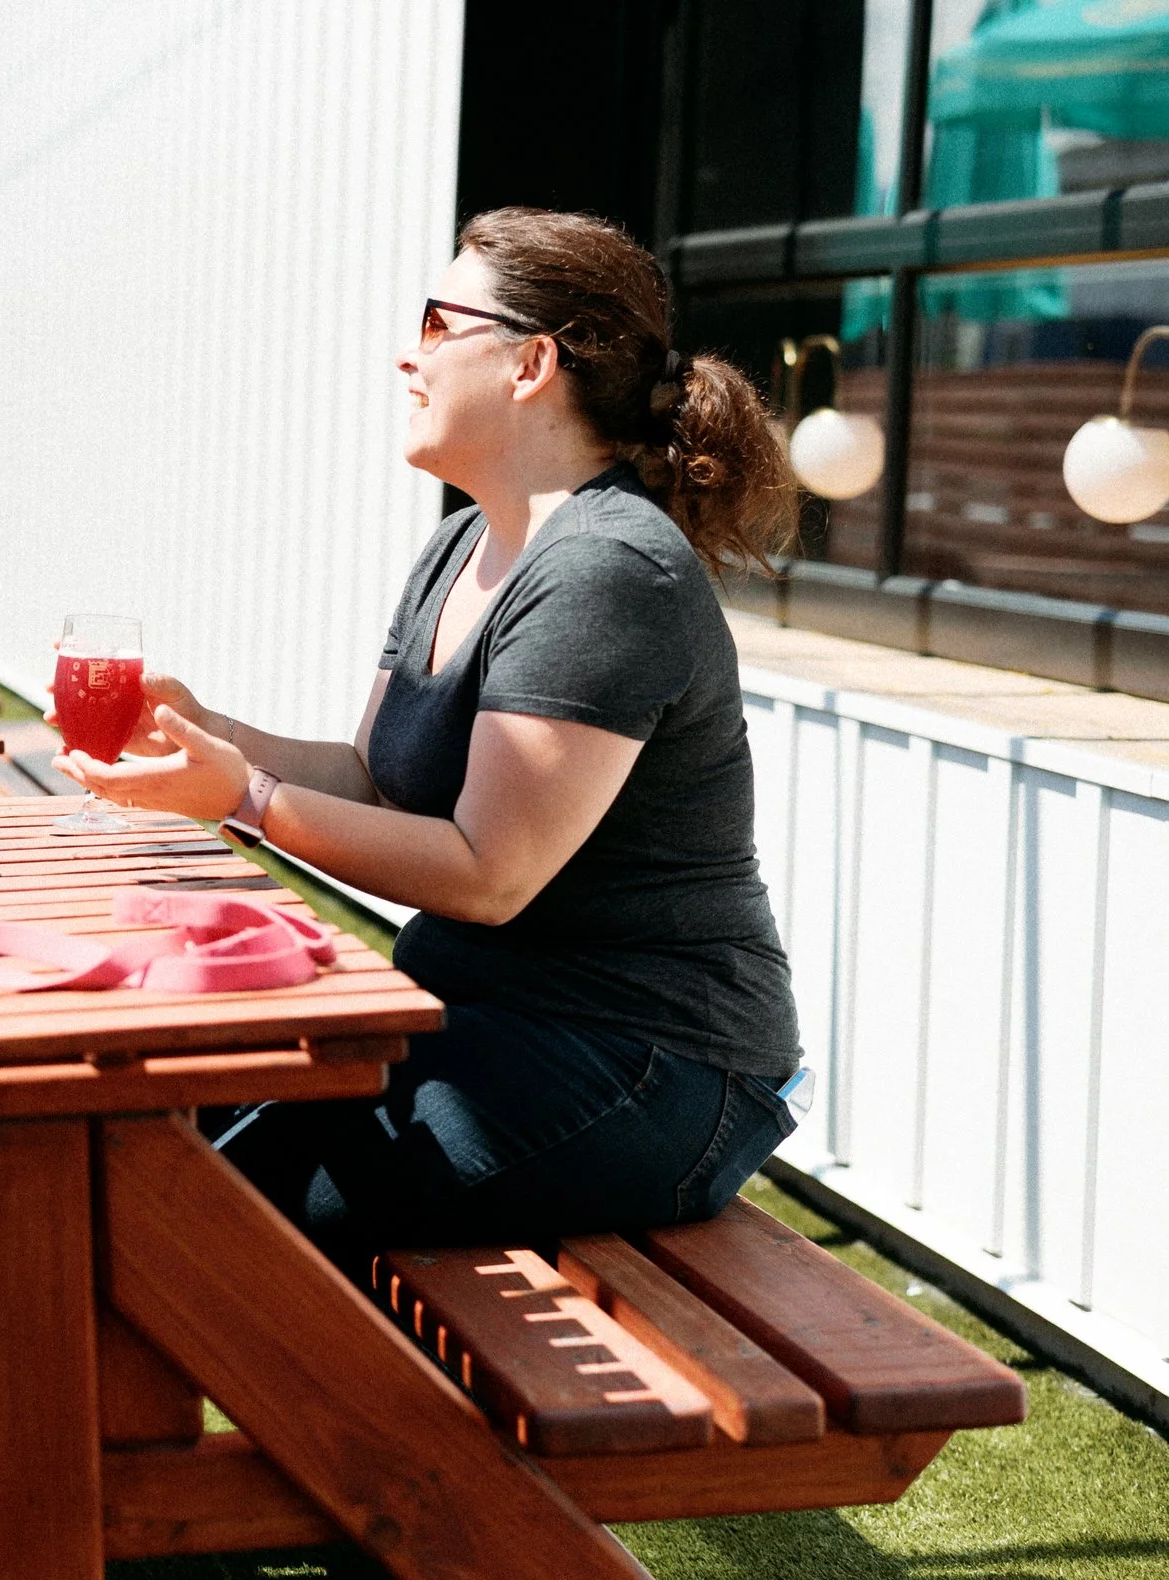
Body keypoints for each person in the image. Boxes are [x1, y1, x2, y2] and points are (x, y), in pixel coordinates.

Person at [57, 208, 804, 1248]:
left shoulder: (605, 569)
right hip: (483, 1019)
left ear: (529, 361)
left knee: (182, 1206)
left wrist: (241, 796)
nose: (406, 355)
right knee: (144, 1125)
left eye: (436, 322)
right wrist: (205, 728)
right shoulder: (462, 542)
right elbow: (375, 782)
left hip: (645, 1063)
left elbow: (486, 874)